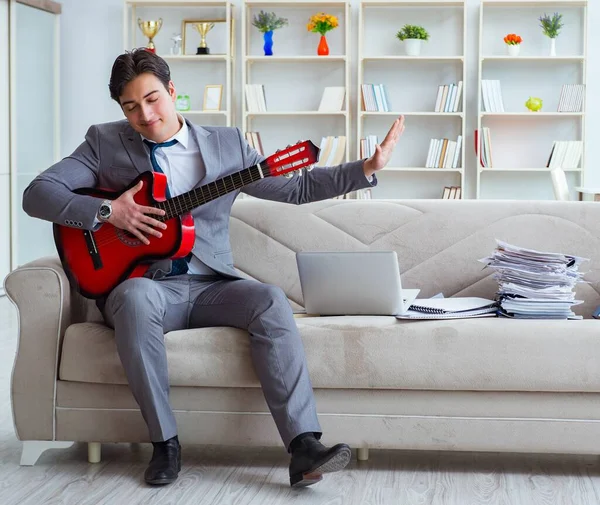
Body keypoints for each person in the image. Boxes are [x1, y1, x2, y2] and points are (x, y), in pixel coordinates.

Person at [22, 48, 405, 488]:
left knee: (269, 299)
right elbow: (38, 193)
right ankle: (165, 443)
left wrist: (366, 169)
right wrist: (110, 212)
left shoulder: (226, 145)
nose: (146, 115)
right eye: (131, 107)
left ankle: (304, 446)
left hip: (211, 286)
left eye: (153, 99)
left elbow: (295, 189)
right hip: (146, 286)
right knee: (134, 295)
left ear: (172, 91)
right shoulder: (104, 143)